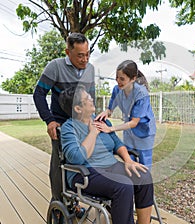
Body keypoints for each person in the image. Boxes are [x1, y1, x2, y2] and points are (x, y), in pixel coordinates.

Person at [58, 85, 153, 224]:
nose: (92, 99)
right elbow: (76, 158)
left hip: (111, 166)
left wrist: (128, 160)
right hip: (85, 173)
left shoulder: (101, 120)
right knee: (123, 185)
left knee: (144, 176)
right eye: (87, 98)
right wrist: (93, 133)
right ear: (77, 109)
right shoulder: (69, 127)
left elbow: (117, 144)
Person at [33, 32, 95, 202]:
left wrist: (93, 121)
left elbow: (92, 97)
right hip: (61, 124)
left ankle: (78, 199)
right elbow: (39, 93)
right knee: (60, 163)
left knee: (84, 159)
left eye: (87, 54)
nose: (85, 59)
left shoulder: (90, 69)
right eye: (80, 55)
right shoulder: (55, 66)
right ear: (68, 52)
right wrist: (49, 120)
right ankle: (58, 201)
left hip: (82, 124)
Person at [96, 60, 156, 169]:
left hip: (145, 132)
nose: (118, 81)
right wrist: (106, 112)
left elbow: (134, 122)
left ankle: (144, 185)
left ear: (133, 79)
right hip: (129, 132)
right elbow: (110, 110)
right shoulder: (117, 90)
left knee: (144, 166)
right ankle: (132, 186)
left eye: (122, 79)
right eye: (117, 78)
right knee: (129, 162)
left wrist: (110, 129)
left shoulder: (141, 94)